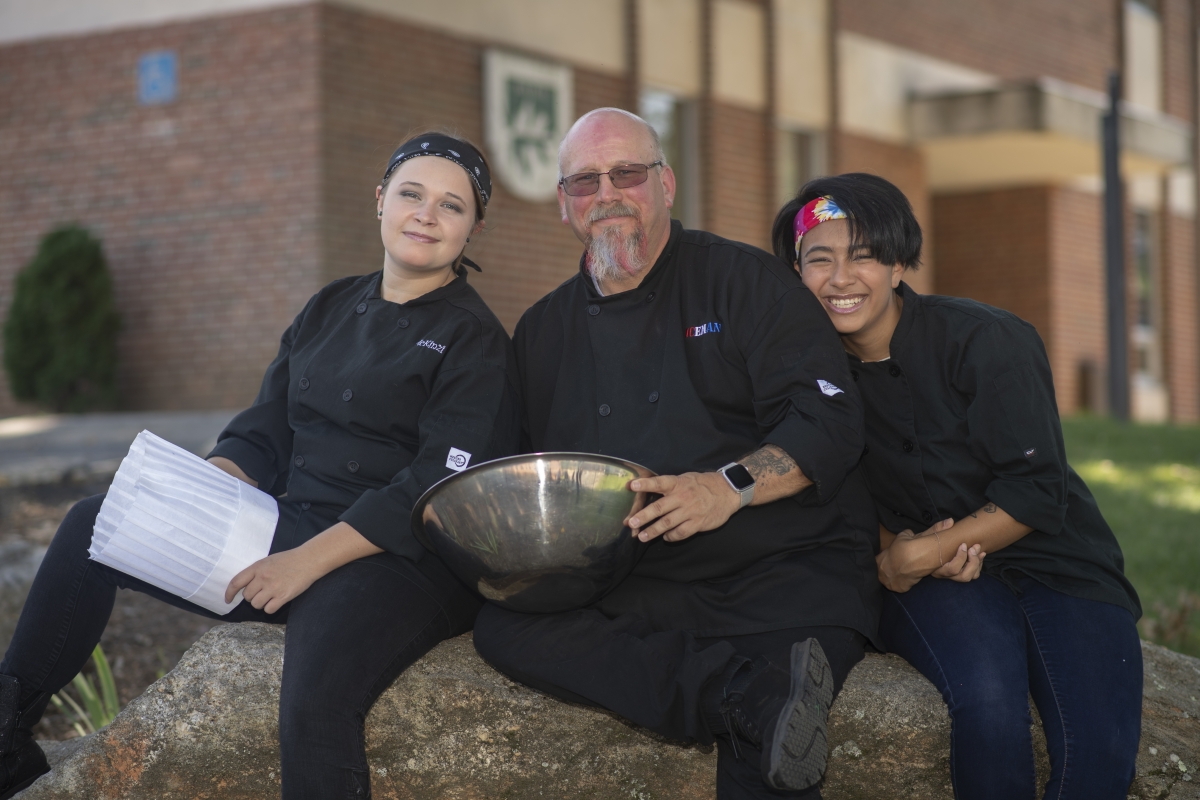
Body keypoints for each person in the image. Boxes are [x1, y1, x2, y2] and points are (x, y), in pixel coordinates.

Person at [0, 132, 521, 800]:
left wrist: (304, 564)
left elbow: (434, 487)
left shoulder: (474, 339)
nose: (426, 214)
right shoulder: (330, 306)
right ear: (380, 200)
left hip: (403, 562)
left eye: (452, 206)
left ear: (473, 228)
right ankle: (9, 738)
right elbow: (264, 433)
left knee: (317, 684)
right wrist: (201, 492)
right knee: (95, 526)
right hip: (291, 525)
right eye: (411, 193)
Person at [471, 108, 881, 799]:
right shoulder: (542, 331)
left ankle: (759, 703)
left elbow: (830, 418)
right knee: (507, 626)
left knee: (773, 769)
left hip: (783, 574)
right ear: (562, 206)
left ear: (665, 185)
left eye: (627, 173)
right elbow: (524, 479)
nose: (606, 193)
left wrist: (728, 485)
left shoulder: (745, 282)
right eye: (584, 181)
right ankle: (733, 697)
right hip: (644, 578)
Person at [771, 172, 1143, 800]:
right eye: (818, 259)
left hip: (1056, 558)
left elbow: (1033, 489)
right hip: (931, 582)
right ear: (797, 274)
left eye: (863, 254)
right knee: (990, 704)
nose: (840, 278)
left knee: (1098, 754)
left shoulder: (986, 339)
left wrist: (927, 550)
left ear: (897, 264)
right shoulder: (811, 380)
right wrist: (894, 556)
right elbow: (838, 493)